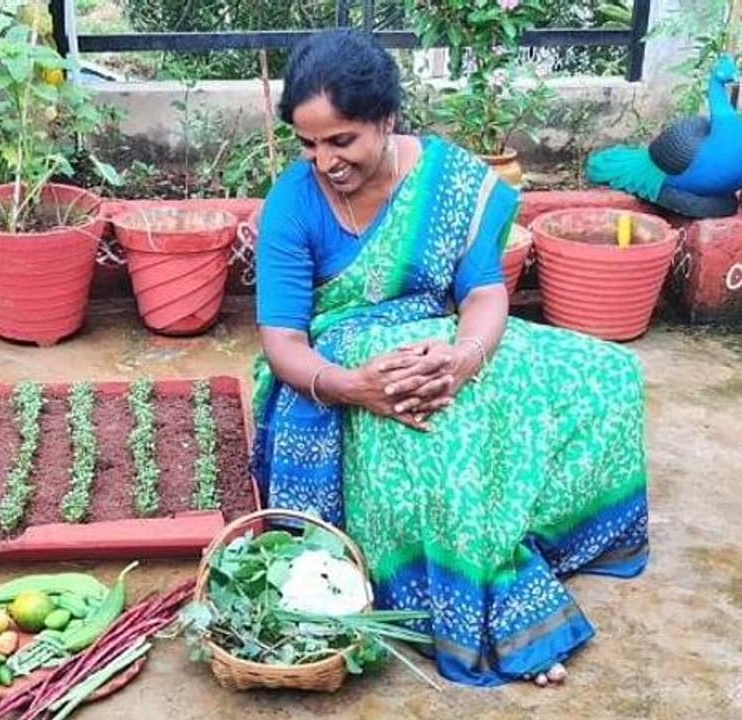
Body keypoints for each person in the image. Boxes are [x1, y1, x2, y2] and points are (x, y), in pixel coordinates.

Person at [250, 28, 649, 688]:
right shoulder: (293, 202)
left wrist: (464, 361)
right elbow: (284, 342)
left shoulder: (449, 180)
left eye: (341, 140)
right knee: (440, 437)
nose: (324, 161)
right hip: (338, 367)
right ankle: (483, 587)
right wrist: (355, 387)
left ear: (385, 119)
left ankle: (534, 532)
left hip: (440, 346)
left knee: (609, 373)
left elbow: (485, 292)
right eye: (308, 143)